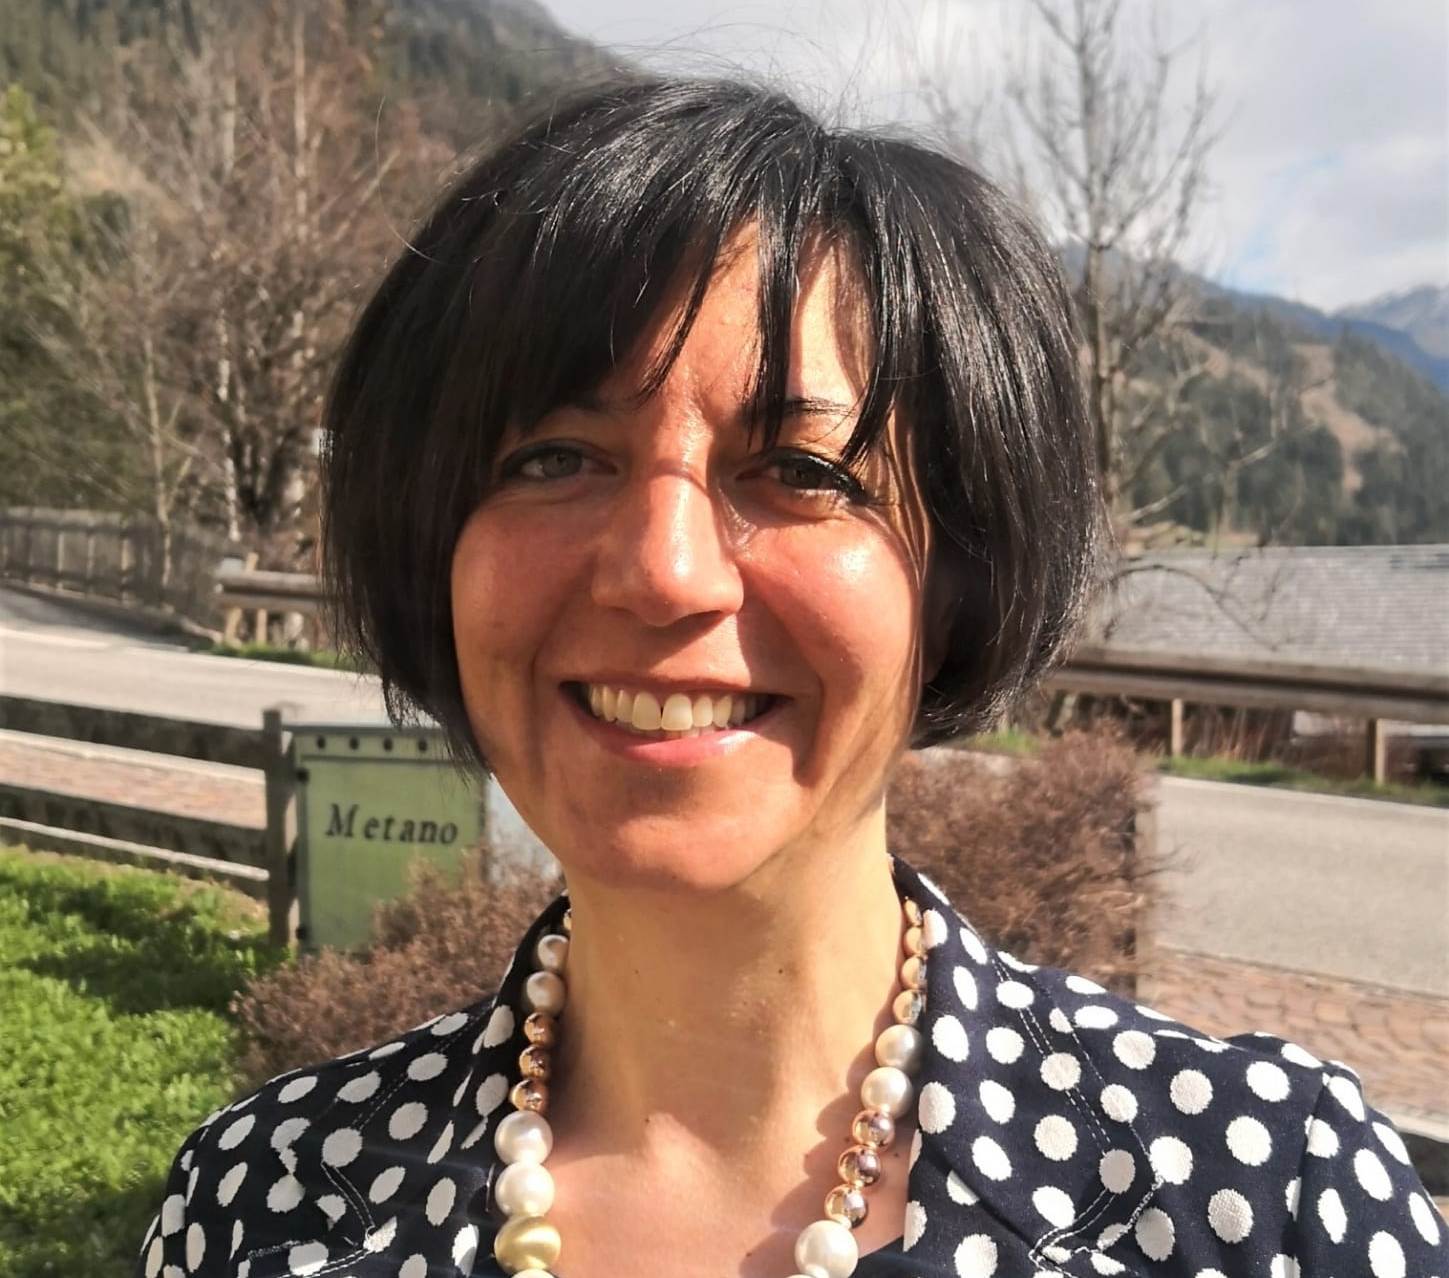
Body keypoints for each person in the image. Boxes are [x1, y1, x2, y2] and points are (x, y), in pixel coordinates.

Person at [135, 76, 1446, 1278]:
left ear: (962, 573)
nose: (660, 572)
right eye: (553, 458)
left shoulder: (1265, 1199)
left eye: (803, 471)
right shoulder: (266, 1206)